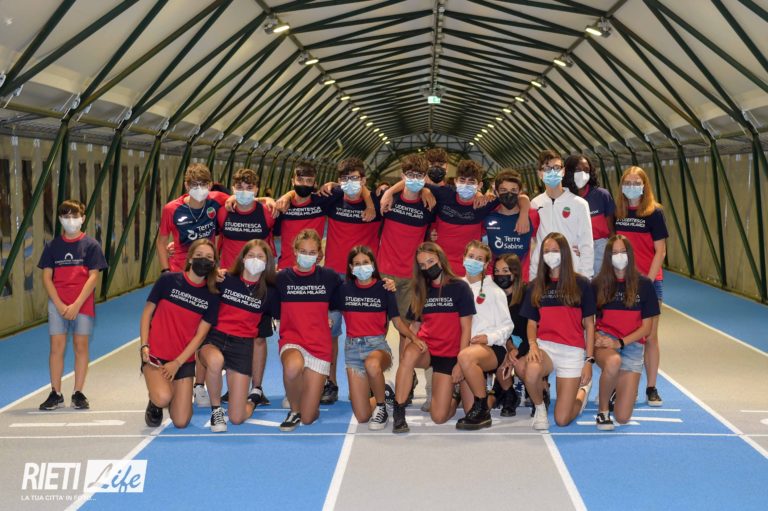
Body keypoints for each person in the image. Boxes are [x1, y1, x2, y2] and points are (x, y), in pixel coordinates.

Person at [392, 242, 475, 433]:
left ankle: (454, 396)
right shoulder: (421, 290)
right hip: (427, 350)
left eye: (431, 261)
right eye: (423, 265)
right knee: (408, 354)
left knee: (438, 417)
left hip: (449, 355)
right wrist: (406, 360)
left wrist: (460, 362)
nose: (428, 267)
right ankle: (399, 412)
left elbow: (466, 328)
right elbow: (414, 326)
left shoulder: (460, 287)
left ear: (441, 259)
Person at [139, 239, 220, 429]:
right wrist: (144, 345)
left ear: (214, 263)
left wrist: (177, 363)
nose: (203, 260)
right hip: (155, 355)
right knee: (163, 397)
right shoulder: (168, 280)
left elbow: (200, 336)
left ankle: (168, 386)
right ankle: (155, 402)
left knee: (181, 421)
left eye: (209, 257)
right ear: (190, 259)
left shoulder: (212, 295)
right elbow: (147, 313)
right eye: (199, 255)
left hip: (183, 360)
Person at [199, 239, 277, 432]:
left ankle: (253, 399)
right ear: (242, 258)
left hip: (242, 347)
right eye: (251, 255)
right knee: (215, 361)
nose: (255, 260)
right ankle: (216, 410)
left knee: (237, 418)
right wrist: (213, 274)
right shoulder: (225, 279)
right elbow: (196, 284)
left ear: (267, 262)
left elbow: (290, 313)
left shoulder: (270, 292)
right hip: (215, 339)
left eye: (260, 257)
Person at [520, 232, 596, 430]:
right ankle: (540, 409)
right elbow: (531, 323)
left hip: (572, 351)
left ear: (564, 253)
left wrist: (588, 361)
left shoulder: (582, 284)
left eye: (555, 250)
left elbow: (590, 325)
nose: (550, 254)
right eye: (546, 251)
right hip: (546, 348)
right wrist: (533, 345)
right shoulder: (535, 285)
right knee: (530, 371)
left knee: (562, 419)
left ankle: (583, 392)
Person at [335, 246, 416, 429]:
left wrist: (414, 338)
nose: (361, 267)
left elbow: (397, 322)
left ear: (372, 264)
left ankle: (381, 407)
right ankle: (385, 392)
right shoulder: (344, 289)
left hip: (377, 347)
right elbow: (326, 306)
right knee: (362, 416)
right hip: (352, 351)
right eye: (357, 264)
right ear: (351, 267)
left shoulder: (384, 288)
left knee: (372, 365)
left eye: (365, 262)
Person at [37, 199, 107, 410]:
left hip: (82, 304)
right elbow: (47, 278)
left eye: (74, 216)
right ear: (60, 219)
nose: (70, 220)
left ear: (83, 218)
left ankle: (78, 392)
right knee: (56, 348)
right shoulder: (52, 246)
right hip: (57, 304)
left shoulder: (91, 245)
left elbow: (93, 277)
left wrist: (77, 304)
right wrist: (59, 304)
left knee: (80, 346)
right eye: (66, 216)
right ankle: (55, 393)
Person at [273, 229, 343, 431]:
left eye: (312, 252)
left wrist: (386, 285)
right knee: (292, 367)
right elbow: (254, 287)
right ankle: (294, 410)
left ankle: (305, 405)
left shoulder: (329, 277)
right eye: (303, 251)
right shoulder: (281, 278)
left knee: (309, 418)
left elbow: (348, 294)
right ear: (295, 251)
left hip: (319, 346)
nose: (307, 256)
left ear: (319, 254)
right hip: (292, 340)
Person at [592, 235, 660, 430]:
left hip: (631, 346)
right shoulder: (597, 284)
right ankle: (603, 412)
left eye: (623, 252)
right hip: (605, 342)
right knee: (613, 361)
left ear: (630, 255)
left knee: (622, 417)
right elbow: (587, 321)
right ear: (608, 257)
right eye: (614, 253)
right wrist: (597, 337)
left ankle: (615, 386)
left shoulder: (644, 285)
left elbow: (646, 328)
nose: (619, 256)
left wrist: (620, 343)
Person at [613, 166, 668, 406]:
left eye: (637, 183)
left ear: (645, 186)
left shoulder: (654, 212)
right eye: (628, 182)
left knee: (650, 336)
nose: (632, 187)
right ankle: (623, 385)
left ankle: (651, 387)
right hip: (621, 283)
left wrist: (647, 282)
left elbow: (660, 251)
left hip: (649, 283)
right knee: (622, 333)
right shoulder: (618, 212)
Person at [456, 241, 514, 430]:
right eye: (471, 256)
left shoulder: (495, 291)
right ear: (464, 258)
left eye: (479, 259)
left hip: (490, 349)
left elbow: (507, 326)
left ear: (486, 264)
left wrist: (488, 338)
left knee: (466, 357)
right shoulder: (455, 286)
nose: (474, 261)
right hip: (462, 351)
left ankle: (482, 410)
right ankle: (492, 397)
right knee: (467, 410)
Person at [529, 150, 594, 280]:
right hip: (543, 274)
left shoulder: (579, 204)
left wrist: (586, 277)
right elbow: (534, 242)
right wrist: (533, 275)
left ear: (563, 172)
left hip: (572, 272)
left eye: (556, 168)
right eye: (547, 169)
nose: (552, 172)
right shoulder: (535, 204)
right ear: (540, 174)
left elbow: (586, 244)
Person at [563, 154, 615, 275]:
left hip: (600, 249)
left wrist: (613, 253)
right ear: (568, 172)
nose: (582, 174)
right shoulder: (563, 198)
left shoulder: (602, 195)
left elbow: (611, 230)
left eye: (586, 170)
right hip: (573, 249)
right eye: (577, 170)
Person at [490, 253, 529, 416]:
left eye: (505, 271)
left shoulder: (527, 293)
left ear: (515, 272)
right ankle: (508, 393)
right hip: (504, 343)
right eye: (497, 271)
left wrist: (518, 351)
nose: (500, 275)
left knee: (522, 367)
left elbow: (533, 330)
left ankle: (541, 391)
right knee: (499, 355)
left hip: (528, 343)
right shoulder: (492, 296)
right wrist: (508, 347)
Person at [483, 169, 539, 281]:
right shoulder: (488, 216)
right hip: (493, 279)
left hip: (522, 280)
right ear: (496, 192)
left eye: (513, 190)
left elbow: (540, 242)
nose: (509, 194)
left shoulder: (532, 215)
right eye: (503, 190)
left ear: (520, 192)